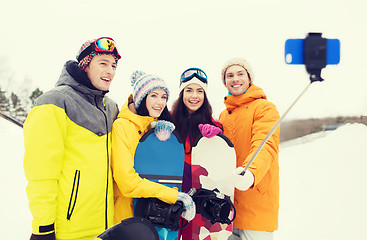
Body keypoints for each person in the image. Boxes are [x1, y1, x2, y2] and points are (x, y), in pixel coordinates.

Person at [23, 37, 121, 240]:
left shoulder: (110, 107)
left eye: (113, 65)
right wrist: (43, 227)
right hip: (67, 230)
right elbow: (41, 172)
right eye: (102, 63)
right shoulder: (54, 102)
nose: (110, 71)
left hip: (105, 229)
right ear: (85, 65)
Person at [111, 70, 195, 225]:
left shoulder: (155, 127)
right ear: (141, 98)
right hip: (127, 216)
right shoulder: (122, 126)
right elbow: (127, 181)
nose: (160, 102)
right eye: (154, 95)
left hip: (154, 216)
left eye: (164, 97)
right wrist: (173, 196)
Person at [219, 58, 280, 240]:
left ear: (249, 78)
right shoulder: (224, 115)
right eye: (230, 75)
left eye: (240, 74)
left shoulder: (265, 108)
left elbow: (265, 145)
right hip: (228, 208)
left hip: (256, 203)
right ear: (225, 82)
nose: (235, 79)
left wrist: (251, 173)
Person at [170, 68, 222, 240]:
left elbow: (220, 161)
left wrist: (216, 137)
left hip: (200, 197)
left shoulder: (213, 124)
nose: (194, 96)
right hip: (173, 194)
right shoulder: (169, 120)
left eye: (200, 91)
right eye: (189, 90)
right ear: (181, 93)